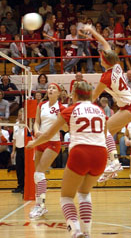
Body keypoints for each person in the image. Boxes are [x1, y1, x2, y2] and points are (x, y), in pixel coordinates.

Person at [27, 81, 107, 238]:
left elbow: (51, 134)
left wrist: (33, 143)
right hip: (100, 154)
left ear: (74, 94)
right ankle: (87, 233)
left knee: (66, 197)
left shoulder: (69, 109)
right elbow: (105, 135)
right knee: (84, 193)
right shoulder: (100, 110)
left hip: (79, 152)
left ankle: (75, 230)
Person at [83, 25, 131, 136]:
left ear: (105, 62)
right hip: (127, 107)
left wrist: (79, 105)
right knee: (106, 136)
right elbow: (104, 42)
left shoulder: (106, 77)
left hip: (130, 108)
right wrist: (92, 31)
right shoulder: (116, 64)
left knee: (102, 133)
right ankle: (110, 154)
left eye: (102, 57)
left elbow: (94, 96)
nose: (101, 57)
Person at [28, 83, 65, 219]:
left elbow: (66, 128)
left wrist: (62, 118)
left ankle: (41, 206)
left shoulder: (61, 108)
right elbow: (36, 122)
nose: (50, 89)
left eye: (54, 88)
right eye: (49, 87)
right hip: (41, 141)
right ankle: (39, 205)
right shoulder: (41, 105)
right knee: (37, 174)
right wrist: (37, 131)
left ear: (59, 93)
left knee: (39, 173)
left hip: (53, 142)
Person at [11, 108, 25, 193]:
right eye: (19, 113)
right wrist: (13, 151)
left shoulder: (28, 124)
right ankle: (20, 186)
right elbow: (14, 139)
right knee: (19, 168)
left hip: (26, 149)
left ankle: (25, 187)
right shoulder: (15, 125)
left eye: (22, 113)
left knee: (25, 169)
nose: (20, 115)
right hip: (18, 149)